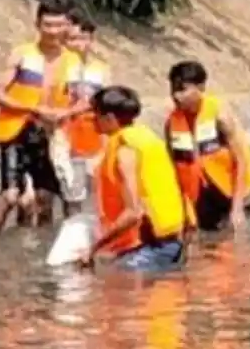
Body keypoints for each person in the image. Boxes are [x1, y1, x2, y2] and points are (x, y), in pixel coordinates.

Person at [0, 0, 79, 235]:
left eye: (58, 24)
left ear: (67, 26)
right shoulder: (22, 54)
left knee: (45, 197)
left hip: (49, 134)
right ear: (37, 25)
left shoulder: (73, 62)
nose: (52, 30)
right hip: (17, 129)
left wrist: (66, 112)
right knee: (10, 194)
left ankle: (38, 255)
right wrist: (35, 109)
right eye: (47, 24)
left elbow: (84, 99)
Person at [80, 86, 190, 272]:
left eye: (95, 115)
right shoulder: (147, 138)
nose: (92, 121)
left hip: (154, 247)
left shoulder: (125, 151)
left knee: (104, 282)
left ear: (110, 119)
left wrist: (93, 248)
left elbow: (133, 212)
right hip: (173, 242)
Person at [165, 60, 250, 231]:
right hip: (201, 199)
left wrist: (237, 210)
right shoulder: (172, 123)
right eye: (173, 89)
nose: (176, 96)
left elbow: (241, 161)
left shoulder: (220, 117)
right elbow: (174, 169)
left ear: (200, 87)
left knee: (234, 249)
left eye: (182, 89)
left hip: (230, 194)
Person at [60, 11, 110, 215]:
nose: (76, 44)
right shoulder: (60, 68)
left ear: (91, 41)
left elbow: (107, 106)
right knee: (71, 196)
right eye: (71, 39)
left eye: (82, 38)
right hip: (67, 138)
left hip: (96, 139)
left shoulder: (101, 69)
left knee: (98, 197)